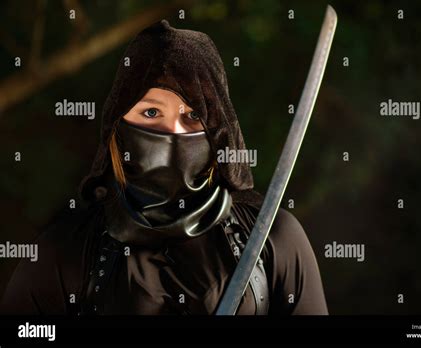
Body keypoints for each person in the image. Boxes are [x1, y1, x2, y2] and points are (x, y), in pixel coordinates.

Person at [0, 20, 327, 315]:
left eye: (193, 116)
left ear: (219, 131)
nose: (174, 134)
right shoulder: (65, 251)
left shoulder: (274, 238)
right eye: (151, 113)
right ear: (117, 124)